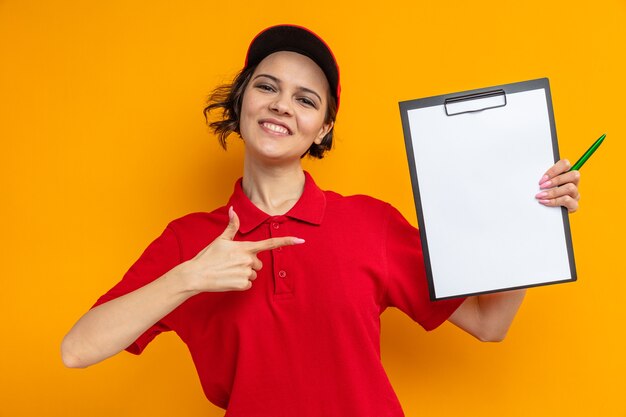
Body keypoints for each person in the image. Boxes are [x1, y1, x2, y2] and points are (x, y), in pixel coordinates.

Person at [61, 24, 581, 416]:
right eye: (267, 87)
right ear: (242, 99)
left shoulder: (370, 224)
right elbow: (77, 350)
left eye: (305, 99)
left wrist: (530, 220)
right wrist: (189, 277)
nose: (283, 105)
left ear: (323, 127)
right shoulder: (189, 242)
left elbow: (491, 324)